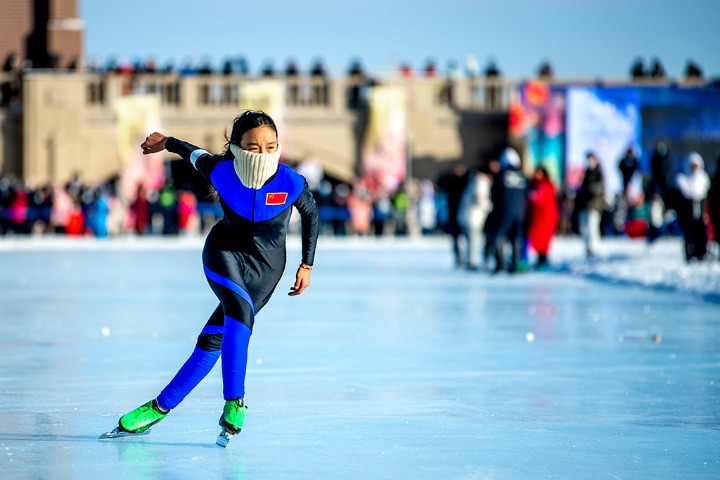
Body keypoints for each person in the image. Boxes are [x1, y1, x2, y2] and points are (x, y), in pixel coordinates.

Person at [101, 110, 319, 446]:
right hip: (223, 254)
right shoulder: (222, 171)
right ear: (236, 147)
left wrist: (307, 264)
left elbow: (312, 215)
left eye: (270, 146)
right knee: (239, 314)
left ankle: (159, 408)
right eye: (253, 146)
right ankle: (235, 402)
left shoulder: (291, 182)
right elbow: (193, 152)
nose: (262, 153)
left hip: (266, 271)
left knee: (212, 342)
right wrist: (165, 142)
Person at [485, 147, 528, 273]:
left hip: (504, 212)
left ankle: (500, 263)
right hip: (520, 212)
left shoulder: (501, 174)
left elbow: (493, 193)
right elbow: (527, 193)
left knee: (498, 235)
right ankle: (515, 264)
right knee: (516, 237)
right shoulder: (522, 176)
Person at [675, 152, 710, 261]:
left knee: (701, 233)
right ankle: (690, 254)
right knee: (689, 234)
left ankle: (702, 253)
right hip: (688, 213)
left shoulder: (704, 180)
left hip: (700, 212)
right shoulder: (682, 180)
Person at [457, 164, 493, 270]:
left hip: (470, 216)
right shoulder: (481, 181)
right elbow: (479, 198)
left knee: (471, 241)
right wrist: (490, 206)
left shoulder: (474, 179)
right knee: (474, 241)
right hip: (473, 217)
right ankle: (472, 262)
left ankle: (469, 260)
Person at [526, 166, 559, 270]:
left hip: (546, 217)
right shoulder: (534, 184)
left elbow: (537, 198)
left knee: (543, 239)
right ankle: (540, 260)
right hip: (539, 216)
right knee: (539, 239)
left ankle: (543, 261)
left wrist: (529, 196)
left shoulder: (545, 184)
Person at [576, 152, 605, 258]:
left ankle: (595, 248)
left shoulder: (598, 173)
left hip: (594, 205)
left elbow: (599, 189)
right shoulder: (587, 173)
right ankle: (588, 248)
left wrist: (588, 189)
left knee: (592, 227)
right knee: (584, 228)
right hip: (584, 205)